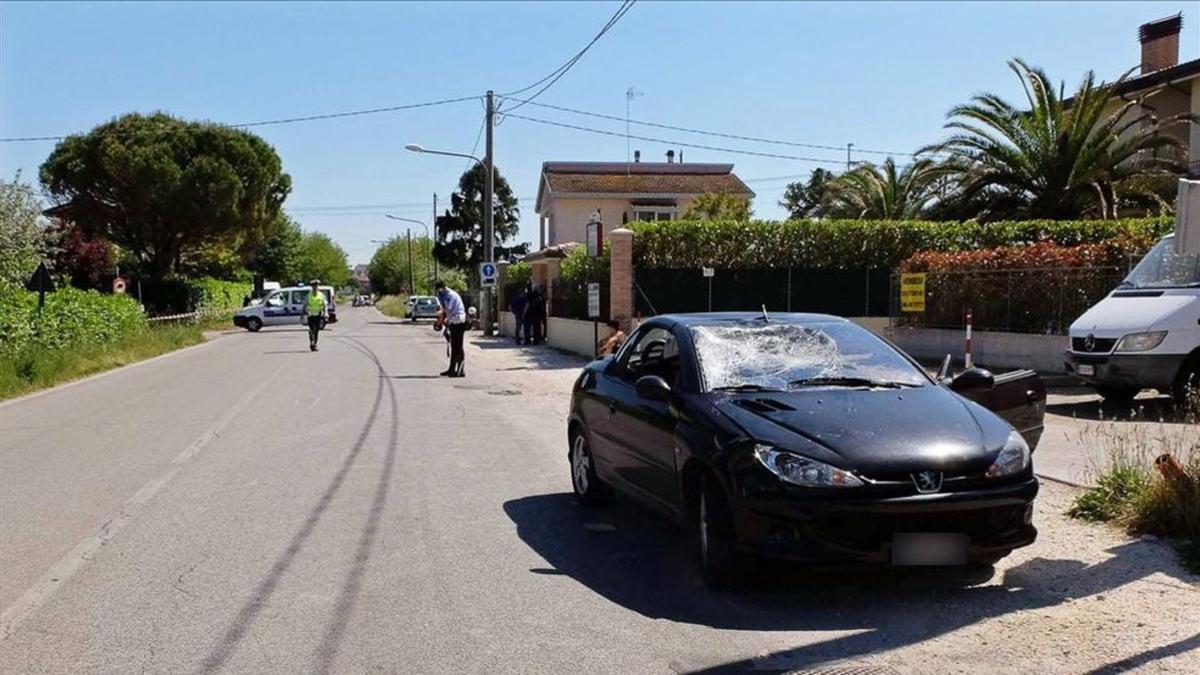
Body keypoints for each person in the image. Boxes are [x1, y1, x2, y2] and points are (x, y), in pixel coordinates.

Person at [435, 279, 468, 377]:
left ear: (442, 288)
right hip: (454, 321)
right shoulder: (448, 295)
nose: (439, 292)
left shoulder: (450, 295)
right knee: (454, 346)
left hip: (458, 321)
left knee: (458, 346)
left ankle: (461, 370)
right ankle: (452, 369)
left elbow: (447, 309)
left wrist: (440, 317)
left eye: (439, 290)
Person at [301, 279, 327, 352]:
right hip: (311, 315)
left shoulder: (321, 295)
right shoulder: (308, 295)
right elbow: (305, 305)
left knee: (317, 331)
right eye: (314, 286)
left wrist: (326, 313)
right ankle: (312, 342)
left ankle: (314, 344)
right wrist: (302, 314)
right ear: (312, 287)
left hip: (318, 315)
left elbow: (325, 305)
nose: (315, 288)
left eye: (316, 286)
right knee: (312, 329)